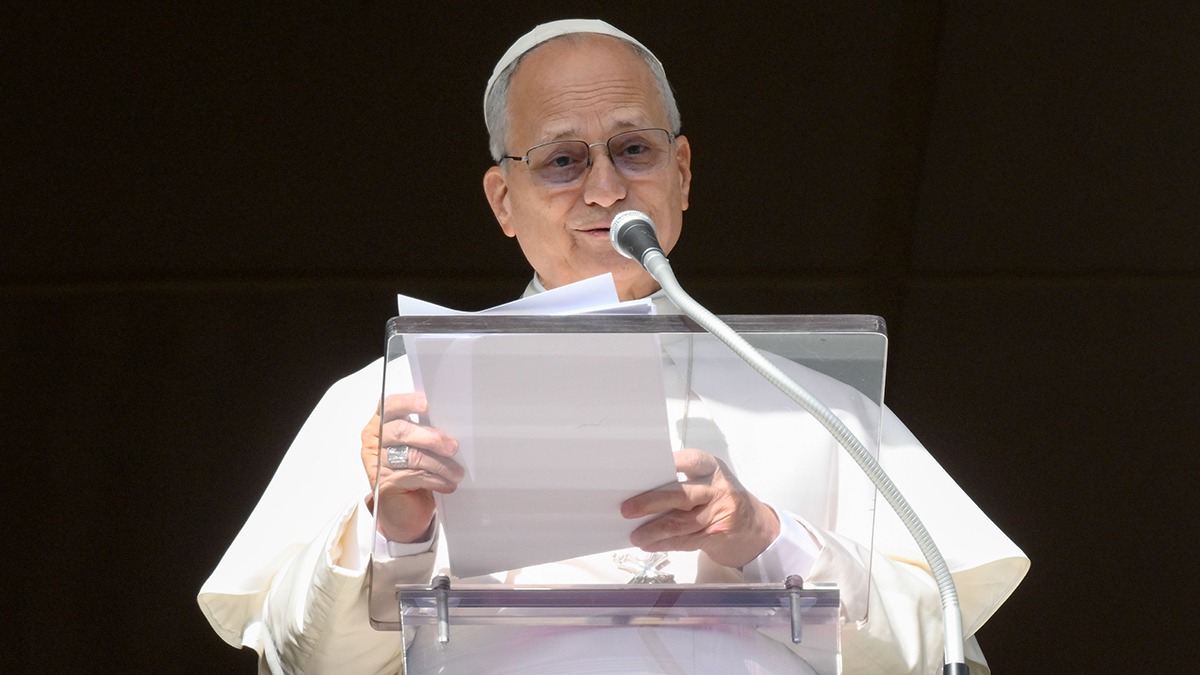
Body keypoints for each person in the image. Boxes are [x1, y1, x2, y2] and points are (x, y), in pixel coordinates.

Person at [199, 20, 1028, 675]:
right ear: (503, 199)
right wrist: (392, 536)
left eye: (634, 149)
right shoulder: (388, 397)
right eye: (562, 160)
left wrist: (765, 537)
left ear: (683, 172)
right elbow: (298, 660)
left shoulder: (813, 399)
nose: (605, 189)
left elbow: (940, 646)